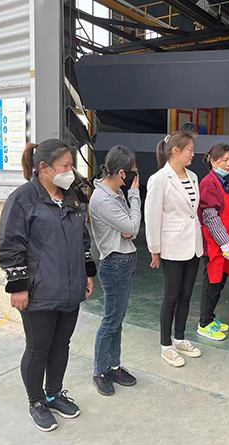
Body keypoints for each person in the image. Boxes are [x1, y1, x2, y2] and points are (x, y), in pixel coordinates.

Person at [0, 139, 96, 432]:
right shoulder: (23, 199)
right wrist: (18, 286)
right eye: (65, 166)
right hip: (39, 291)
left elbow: (82, 239)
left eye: (71, 165)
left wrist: (87, 273)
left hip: (70, 287)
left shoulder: (72, 197)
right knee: (38, 348)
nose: (70, 171)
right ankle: (36, 401)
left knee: (61, 345)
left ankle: (54, 394)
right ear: (44, 167)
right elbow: (10, 245)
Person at [145, 131, 203, 367]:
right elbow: (152, 217)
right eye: (190, 150)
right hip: (172, 246)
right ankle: (165, 345)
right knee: (171, 296)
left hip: (193, 245)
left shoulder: (193, 176)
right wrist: (154, 249)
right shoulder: (160, 179)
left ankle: (179, 338)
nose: (193, 154)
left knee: (186, 295)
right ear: (176, 151)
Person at [89, 145, 141, 396]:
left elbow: (129, 230)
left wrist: (128, 227)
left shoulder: (115, 192)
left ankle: (113, 366)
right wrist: (135, 196)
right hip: (115, 262)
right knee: (111, 321)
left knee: (116, 321)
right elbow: (132, 227)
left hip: (125, 259)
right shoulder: (103, 199)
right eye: (133, 172)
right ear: (122, 173)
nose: (135, 177)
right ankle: (100, 371)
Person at [197, 143, 229, 341]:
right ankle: (204, 324)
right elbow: (210, 216)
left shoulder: (223, 182)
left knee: (219, 284)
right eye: (224, 160)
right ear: (213, 162)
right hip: (214, 245)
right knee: (211, 285)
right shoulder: (209, 183)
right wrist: (224, 242)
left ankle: (211, 317)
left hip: (225, 244)